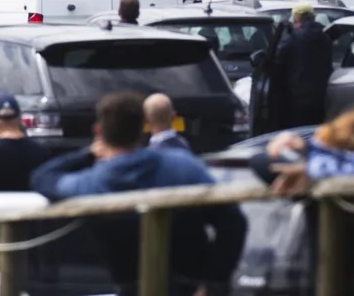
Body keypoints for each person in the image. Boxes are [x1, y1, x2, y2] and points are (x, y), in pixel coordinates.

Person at [31, 92, 245, 296]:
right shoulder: (183, 165)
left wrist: (86, 154)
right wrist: (214, 282)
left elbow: (43, 177)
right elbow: (233, 222)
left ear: (98, 132)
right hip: (190, 283)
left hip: (133, 286)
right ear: (144, 127)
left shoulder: (93, 183)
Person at [269, 3, 332, 129]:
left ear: (296, 19)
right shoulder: (325, 38)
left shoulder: (292, 39)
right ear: (313, 18)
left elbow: (277, 64)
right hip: (321, 97)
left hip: (295, 99)